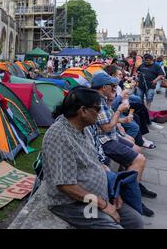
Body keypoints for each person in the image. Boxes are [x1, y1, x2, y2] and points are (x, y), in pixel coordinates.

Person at [43, 87, 144, 229]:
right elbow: (66, 186)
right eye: (97, 109)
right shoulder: (59, 136)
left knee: (135, 221)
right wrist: (104, 205)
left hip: (98, 196)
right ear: (83, 111)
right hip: (74, 203)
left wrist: (112, 191)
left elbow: (96, 163)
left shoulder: (84, 128)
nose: (100, 113)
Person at [89, 73, 157, 216]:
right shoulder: (97, 101)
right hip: (105, 140)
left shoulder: (102, 99)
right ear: (104, 87)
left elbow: (108, 122)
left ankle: (135, 185)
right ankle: (133, 198)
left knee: (136, 146)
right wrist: (119, 110)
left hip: (110, 136)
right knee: (140, 159)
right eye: (112, 86)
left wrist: (121, 119)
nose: (115, 87)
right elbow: (106, 128)